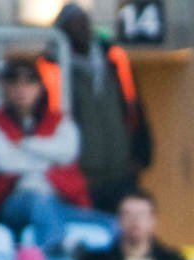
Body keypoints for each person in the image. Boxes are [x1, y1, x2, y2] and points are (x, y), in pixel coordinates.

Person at [0, 60, 109, 253]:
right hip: (14, 203)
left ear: (40, 87)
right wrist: (49, 158)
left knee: (112, 224)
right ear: (5, 87)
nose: (21, 90)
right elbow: (3, 163)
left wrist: (24, 144)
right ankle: (55, 246)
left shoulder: (60, 120)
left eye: (29, 83)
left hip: (59, 200)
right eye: (14, 83)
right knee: (38, 202)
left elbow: (68, 153)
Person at [40, 3, 150, 211]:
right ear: (62, 31)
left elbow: (134, 108)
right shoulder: (51, 68)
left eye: (84, 23)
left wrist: (141, 154)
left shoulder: (113, 61)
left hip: (122, 170)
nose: (82, 29)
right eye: (74, 24)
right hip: (82, 175)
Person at [78, 191, 191, 260]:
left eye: (142, 214)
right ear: (118, 220)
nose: (135, 220)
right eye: (128, 214)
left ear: (153, 220)